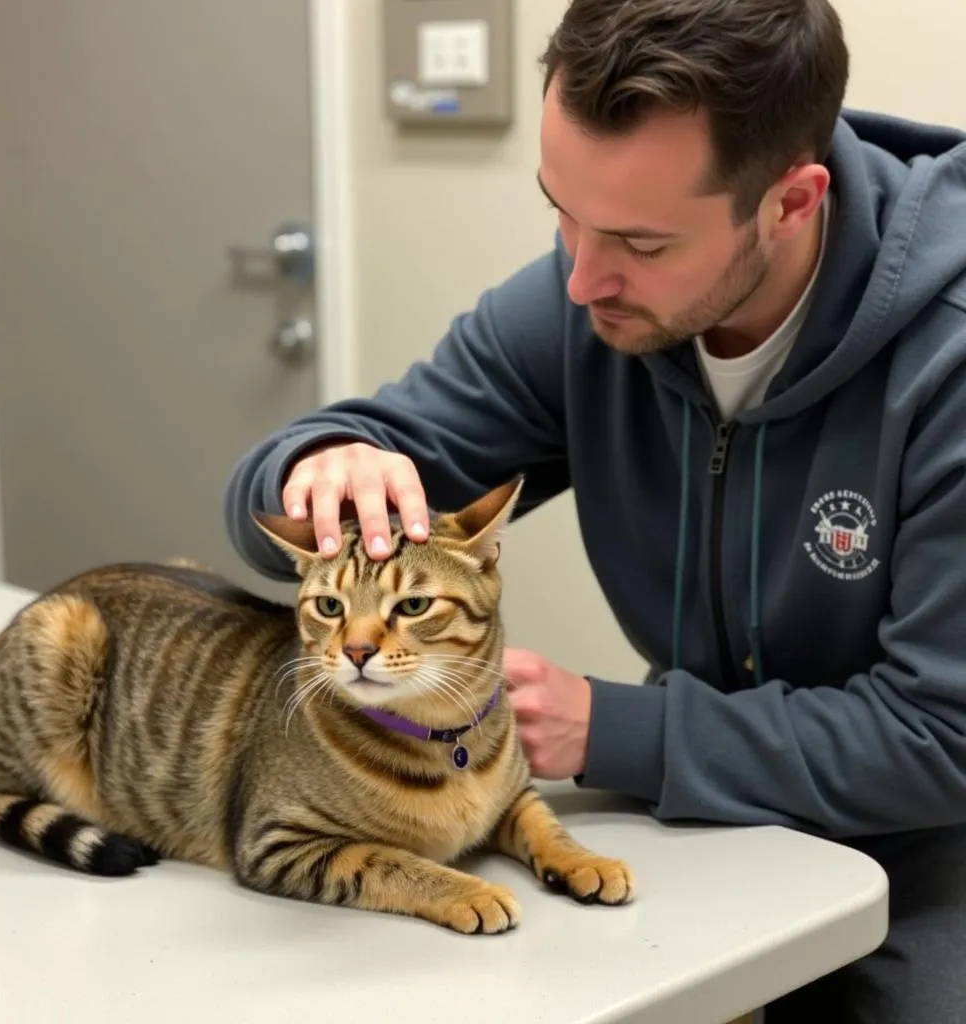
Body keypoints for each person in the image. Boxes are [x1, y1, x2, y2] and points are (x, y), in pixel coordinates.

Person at [224, 0, 966, 1018]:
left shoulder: (948, 363)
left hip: (933, 842)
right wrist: (316, 466)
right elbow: (349, 455)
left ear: (791, 202)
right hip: (715, 807)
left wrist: (615, 729)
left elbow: (941, 738)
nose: (579, 277)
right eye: (558, 212)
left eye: (637, 241)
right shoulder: (584, 300)